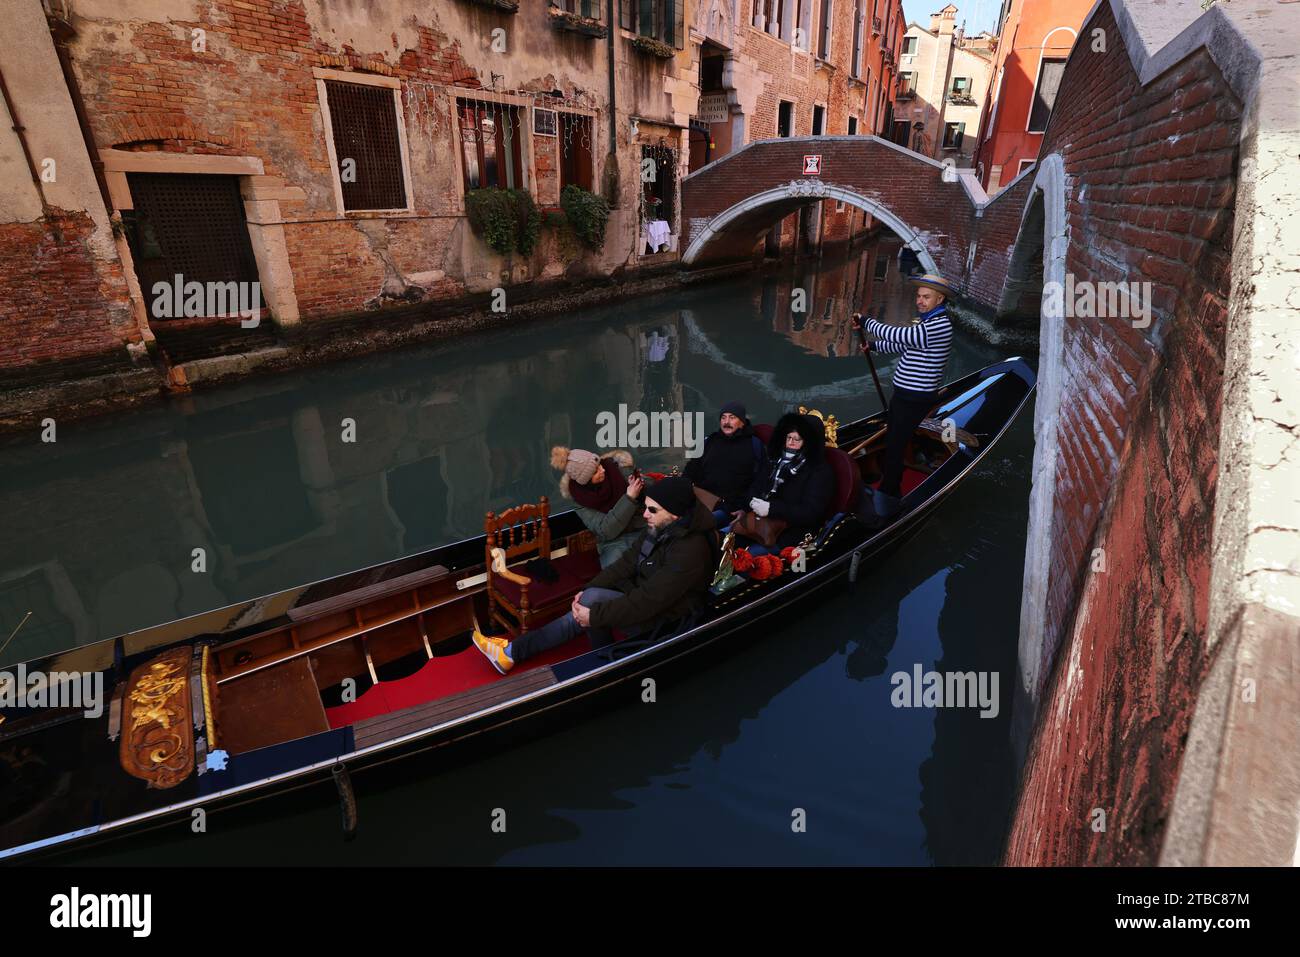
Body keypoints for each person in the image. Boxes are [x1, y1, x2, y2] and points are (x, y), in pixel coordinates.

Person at [473, 475, 718, 674]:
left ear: (675, 514)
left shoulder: (690, 551)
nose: (645, 515)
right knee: (588, 600)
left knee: (590, 608)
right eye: (645, 508)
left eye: (652, 510)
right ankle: (514, 652)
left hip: (667, 618)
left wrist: (595, 616)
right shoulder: (660, 526)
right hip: (643, 597)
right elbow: (625, 564)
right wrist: (586, 589)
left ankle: (597, 660)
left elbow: (649, 601)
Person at [854, 272, 955, 522]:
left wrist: (866, 322)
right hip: (904, 394)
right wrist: (875, 346)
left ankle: (890, 494)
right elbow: (904, 345)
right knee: (893, 437)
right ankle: (892, 478)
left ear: (940, 299)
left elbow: (901, 336)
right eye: (919, 296)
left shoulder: (939, 325)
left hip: (916, 397)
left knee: (895, 443)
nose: (920, 301)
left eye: (926, 297)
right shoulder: (925, 323)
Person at [730, 411, 834, 553]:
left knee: (745, 556)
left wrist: (771, 508)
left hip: (791, 532)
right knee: (722, 539)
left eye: (796, 439)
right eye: (789, 437)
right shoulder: (774, 460)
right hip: (758, 521)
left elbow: (810, 512)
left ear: (808, 443)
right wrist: (748, 506)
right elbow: (756, 486)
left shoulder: (820, 472)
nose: (790, 443)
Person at [552, 446, 646, 568]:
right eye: (595, 471)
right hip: (614, 541)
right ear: (585, 480)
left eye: (599, 464)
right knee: (614, 570)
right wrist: (629, 498)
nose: (602, 470)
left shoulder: (620, 469)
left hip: (642, 528)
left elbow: (650, 500)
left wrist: (643, 483)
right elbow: (606, 531)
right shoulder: (579, 500)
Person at [683, 400, 768, 527]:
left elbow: (760, 482)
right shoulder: (710, 441)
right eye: (723, 418)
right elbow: (691, 470)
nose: (726, 422)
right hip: (702, 500)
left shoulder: (754, 445)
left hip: (731, 509)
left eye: (732, 418)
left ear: (742, 422)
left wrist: (745, 508)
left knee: (692, 525)